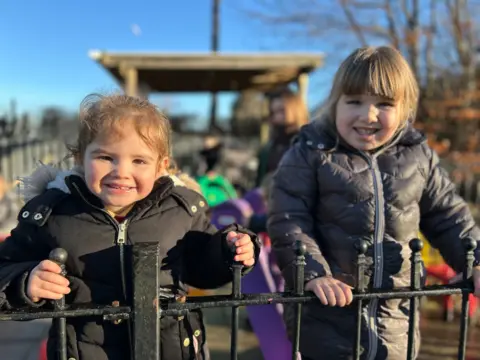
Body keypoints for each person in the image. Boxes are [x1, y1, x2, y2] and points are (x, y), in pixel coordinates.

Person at [0, 93, 260, 360]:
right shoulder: (52, 213)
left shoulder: (181, 211)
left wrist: (228, 251)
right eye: (105, 157)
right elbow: (4, 268)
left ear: (161, 167)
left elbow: (202, 270)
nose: (121, 171)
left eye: (139, 161)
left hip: (170, 351)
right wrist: (26, 283)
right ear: (80, 158)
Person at [267, 46, 480, 360]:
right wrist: (313, 274)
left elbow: (447, 214)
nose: (368, 115)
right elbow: (290, 219)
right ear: (335, 103)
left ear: (404, 108)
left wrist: (474, 260)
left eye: (384, 104)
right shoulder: (311, 153)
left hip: (396, 321)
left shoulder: (417, 156)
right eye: (354, 101)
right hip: (326, 319)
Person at [255, 89, 309, 187]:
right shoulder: (269, 148)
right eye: (273, 112)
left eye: (282, 111)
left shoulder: (308, 143)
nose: (277, 118)